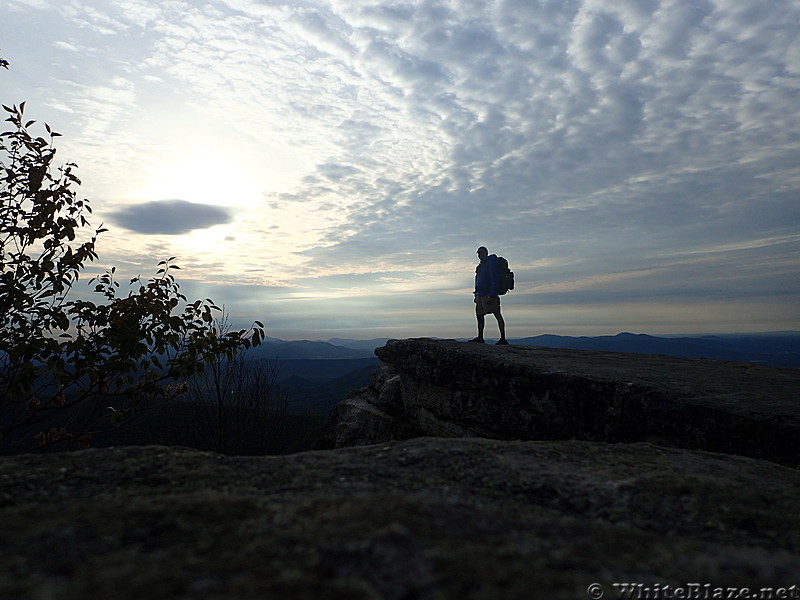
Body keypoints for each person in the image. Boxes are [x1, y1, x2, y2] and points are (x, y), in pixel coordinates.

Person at [470, 246, 508, 345]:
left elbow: (494, 279)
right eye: (478, 253)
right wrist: (476, 294)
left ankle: (503, 338)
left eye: (481, 253)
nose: (479, 255)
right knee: (479, 315)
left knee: (497, 314)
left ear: (486, 253)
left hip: (489, 294)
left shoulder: (491, 264)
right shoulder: (480, 266)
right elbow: (477, 280)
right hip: (480, 294)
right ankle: (480, 337)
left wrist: (492, 294)